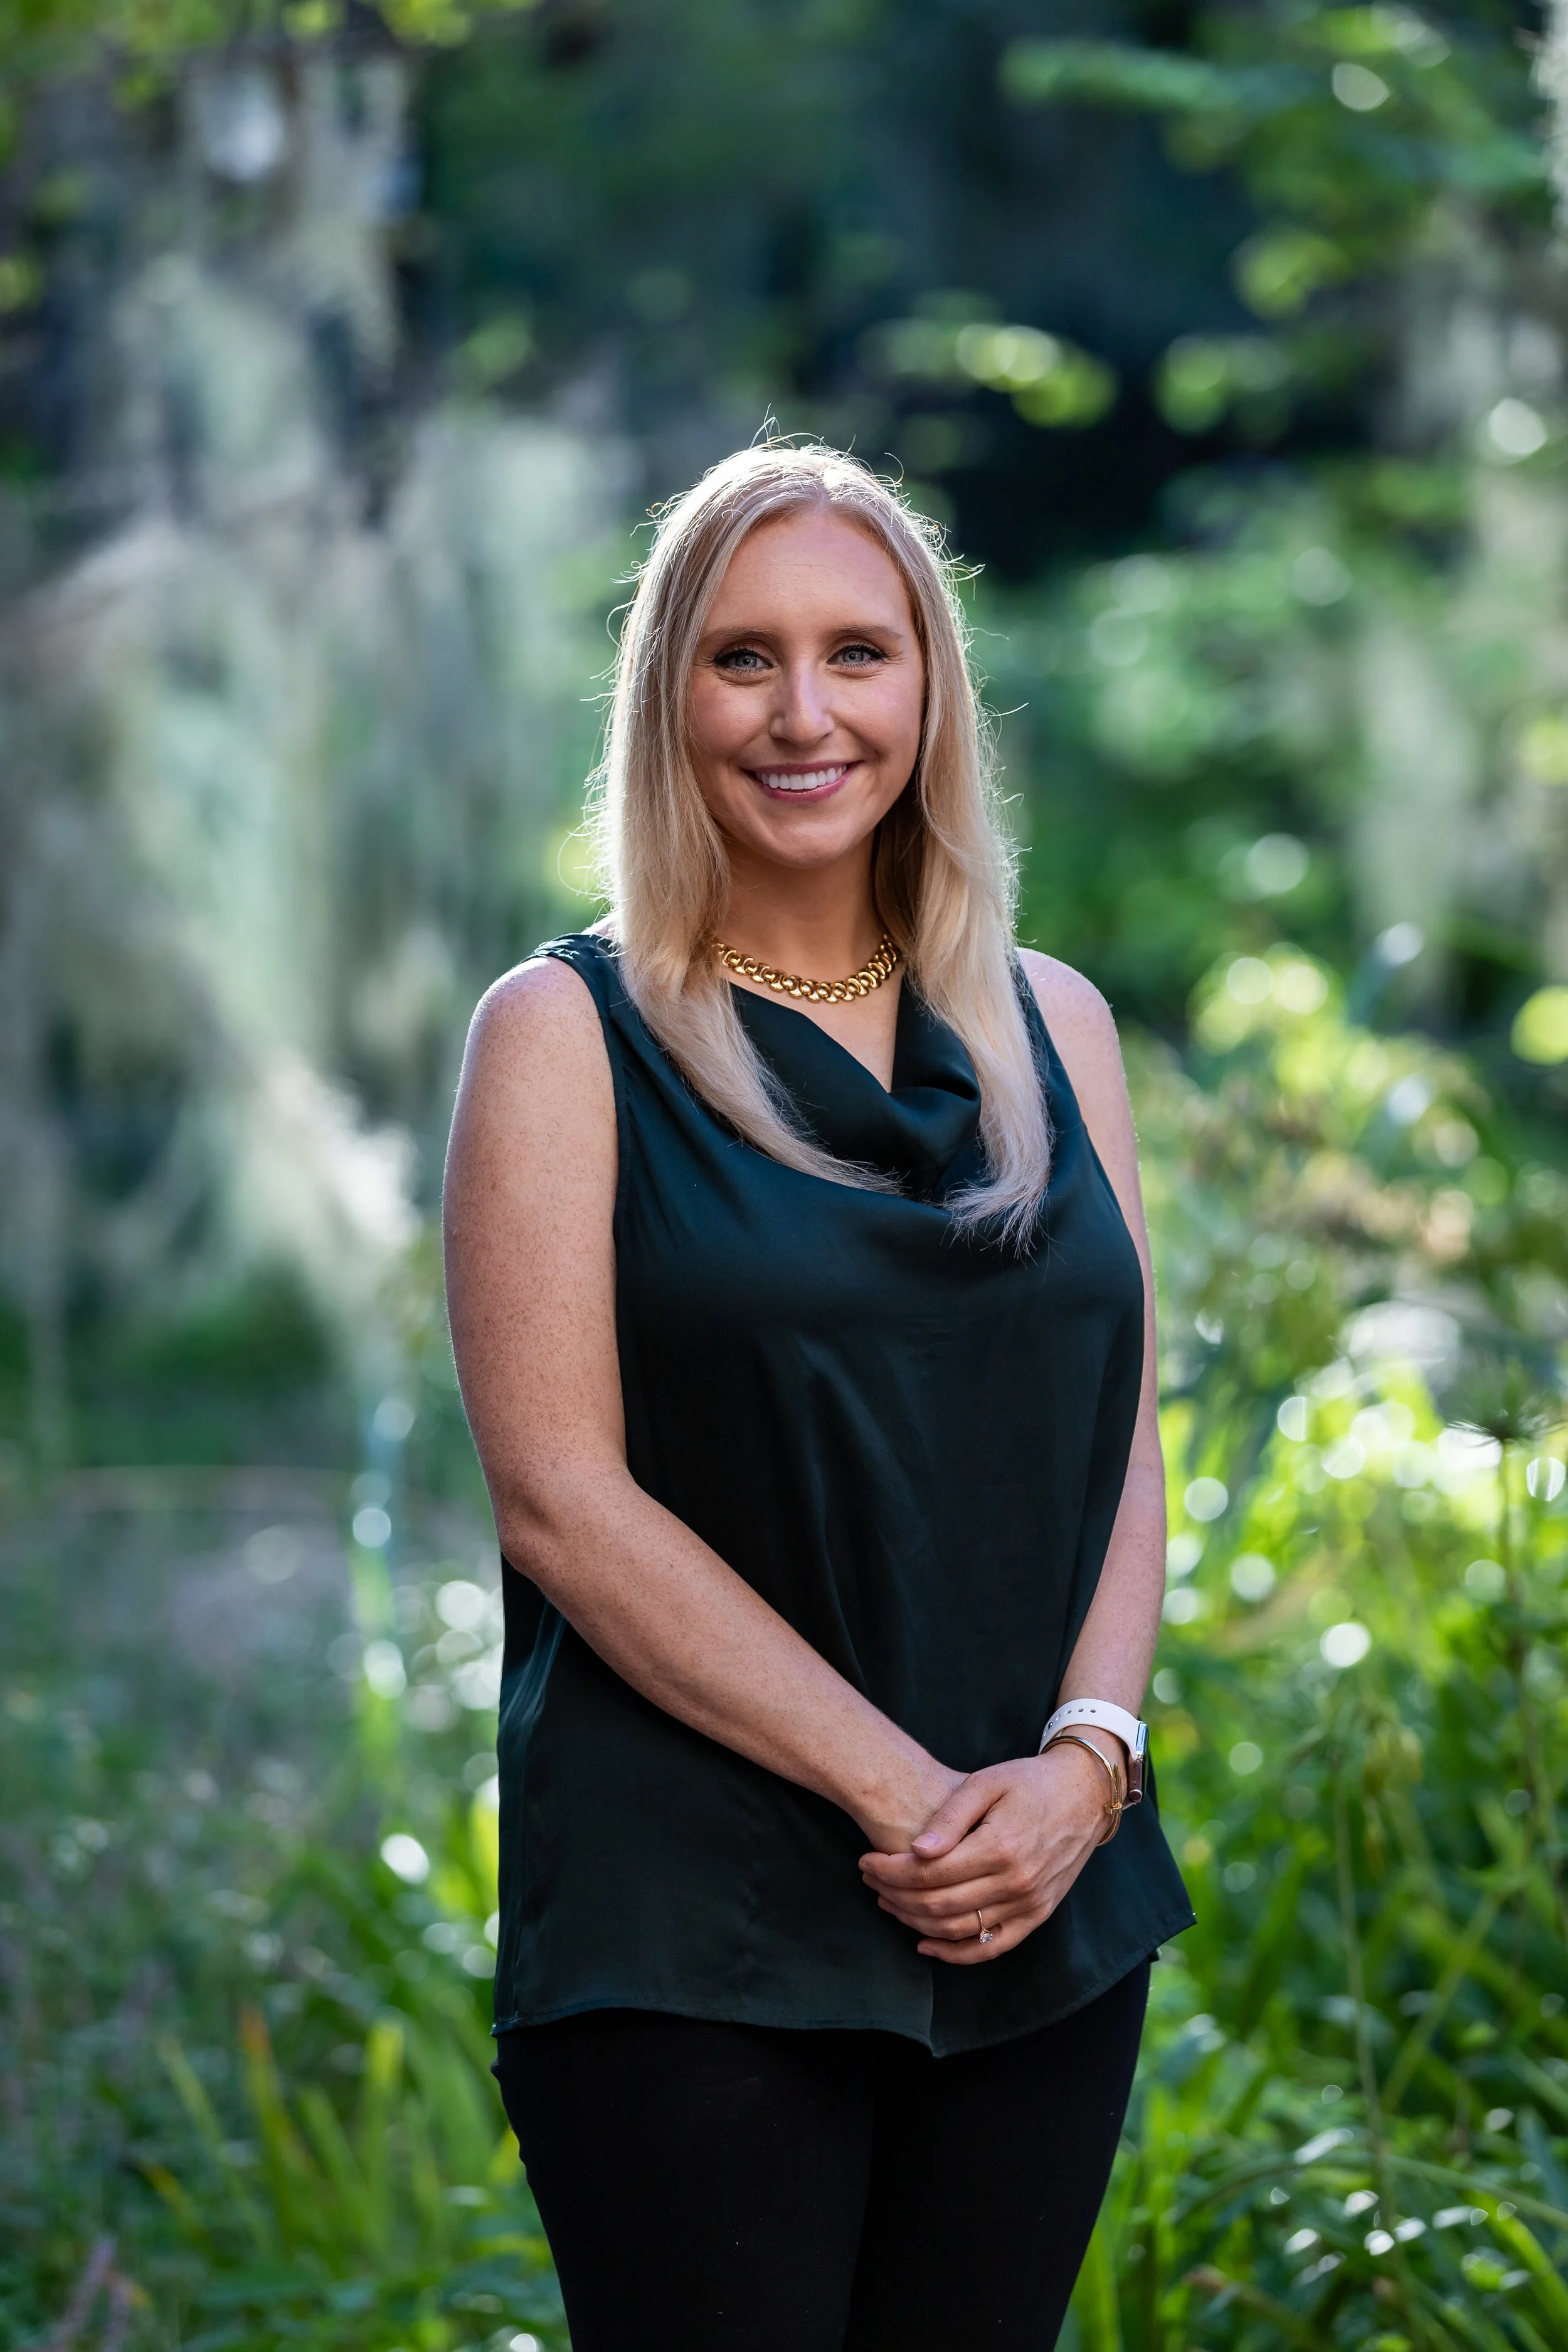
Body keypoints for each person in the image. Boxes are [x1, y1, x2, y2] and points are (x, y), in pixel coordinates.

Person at [443, 442, 1193, 2352]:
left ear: (928, 688)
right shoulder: (563, 1037)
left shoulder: (1055, 1024)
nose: (803, 713)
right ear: (665, 699)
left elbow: (1119, 1430)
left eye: (857, 651)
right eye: (740, 657)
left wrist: (1085, 1766)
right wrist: (920, 1802)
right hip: (706, 1930)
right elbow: (563, 1503)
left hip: (1040, 1897)